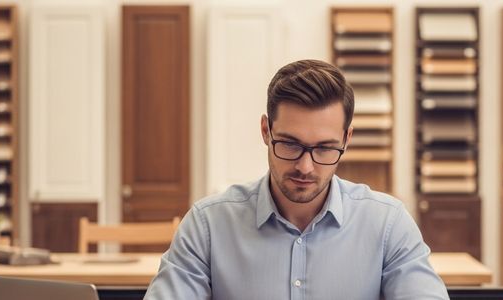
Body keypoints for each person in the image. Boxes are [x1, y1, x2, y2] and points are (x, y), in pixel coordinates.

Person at [145, 59, 449, 299]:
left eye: (325, 148)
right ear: (266, 131)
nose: (305, 166)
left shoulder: (388, 224)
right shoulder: (208, 225)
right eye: (290, 144)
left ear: (347, 139)